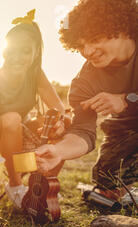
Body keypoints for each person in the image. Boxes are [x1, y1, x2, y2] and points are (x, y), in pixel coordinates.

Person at [36, 0, 138, 202]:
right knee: (107, 182)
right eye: (81, 45)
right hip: (125, 128)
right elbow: (83, 130)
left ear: (123, 28)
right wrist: (59, 151)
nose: (88, 51)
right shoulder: (85, 82)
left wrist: (127, 100)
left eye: (95, 39)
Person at [0, 10, 66, 208]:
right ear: (4, 51)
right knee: (13, 118)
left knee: (65, 122)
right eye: (12, 50)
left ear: (35, 53)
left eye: (25, 51)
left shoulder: (36, 75)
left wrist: (58, 121)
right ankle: (15, 186)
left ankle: (42, 184)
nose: (17, 57)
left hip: (20, 130)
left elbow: (57, 107)